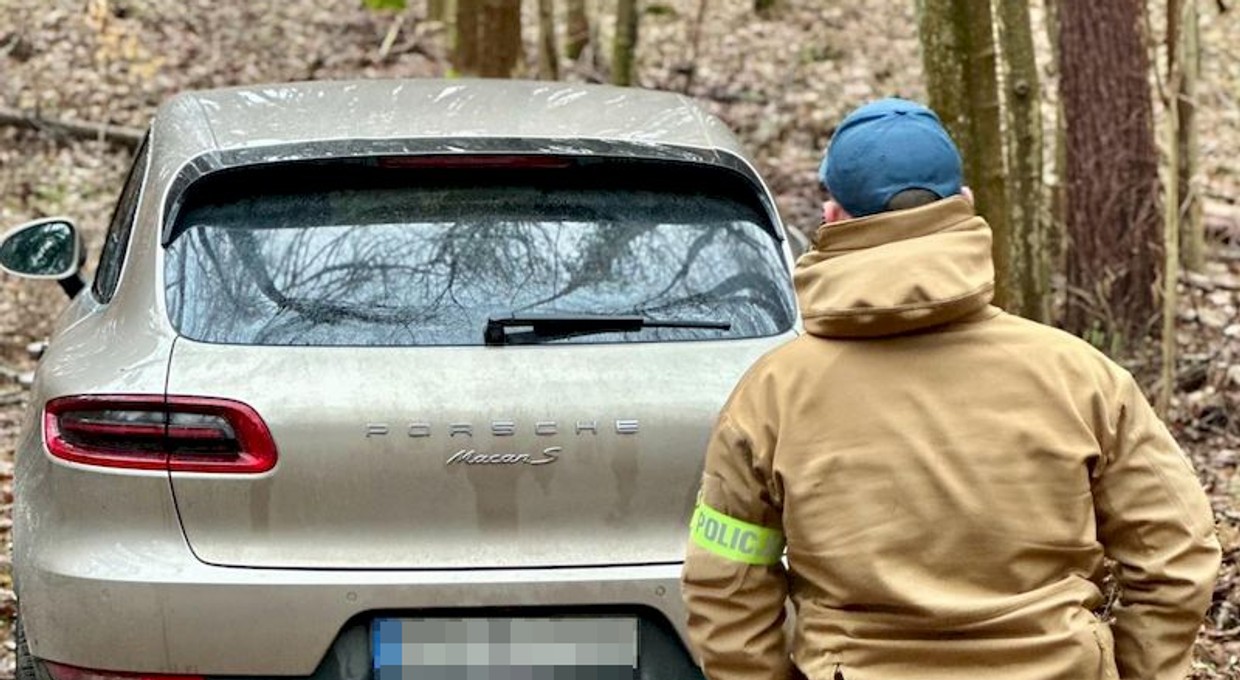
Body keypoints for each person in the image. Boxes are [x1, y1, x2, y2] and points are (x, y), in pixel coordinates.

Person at [680, 98, 1221, 680]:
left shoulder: (770, 397)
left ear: (832, 217)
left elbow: (726, 583)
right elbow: (1177, 553)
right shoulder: (1079, 376)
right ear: (964, 206)